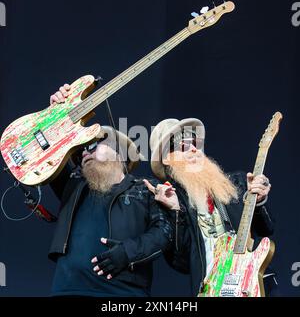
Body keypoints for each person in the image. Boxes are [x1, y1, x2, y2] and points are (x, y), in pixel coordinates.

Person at [47, 85, 173, 297]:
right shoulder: (73, 186)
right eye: (83, 148)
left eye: (94, 144)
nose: (85, 152)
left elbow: (164, 233)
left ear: (120, 153)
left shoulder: (144, 189)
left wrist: (127, 253)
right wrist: (54, 115)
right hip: (67, 291)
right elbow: (49, 150)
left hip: (123, 294)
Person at [144, 118, 279, 297]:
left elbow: (267, 228)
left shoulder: (236, 182)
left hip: (252, 283)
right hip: (212, 289)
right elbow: (181, 263)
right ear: (168, 158)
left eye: (196, 144)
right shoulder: (172, 202)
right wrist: (176, 212)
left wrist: (259, 200)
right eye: (183, 146)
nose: (194, 149)